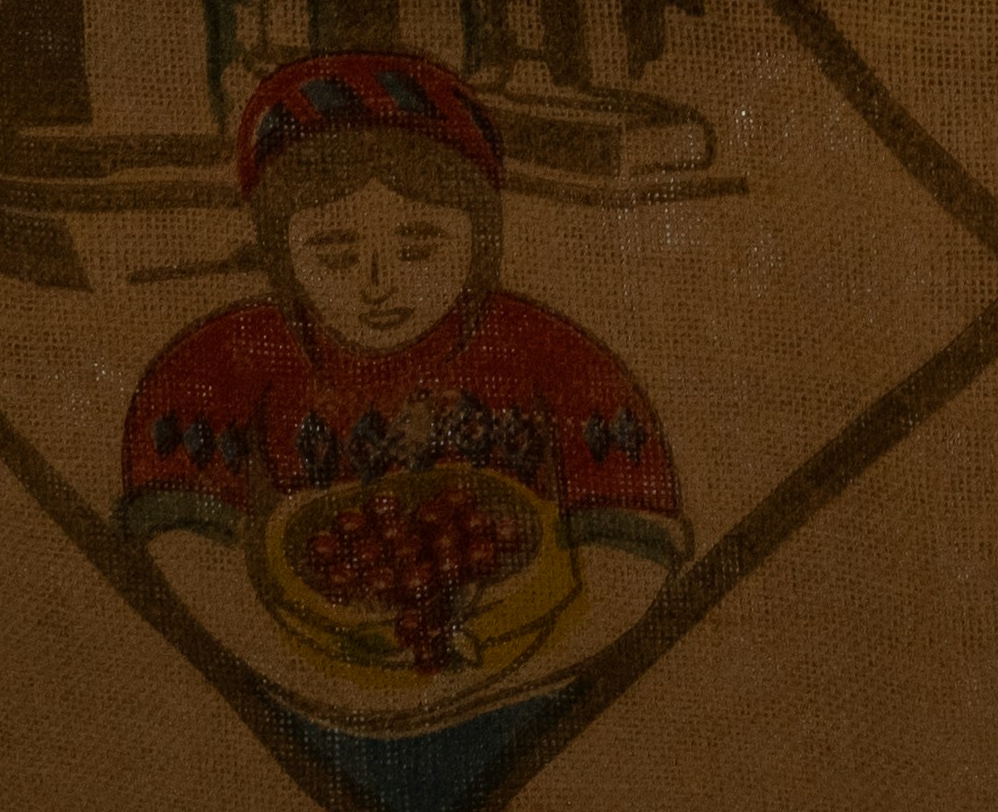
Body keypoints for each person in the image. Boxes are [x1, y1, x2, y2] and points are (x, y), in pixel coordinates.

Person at [117, 44, 688, 789]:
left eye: (420, 245)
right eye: (333, 249)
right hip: (298, 700)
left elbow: (630, 551)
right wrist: (334, 694)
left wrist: (478, 684)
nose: (379, 285)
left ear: (479, 238)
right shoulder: (218, 364)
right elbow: (186, 556)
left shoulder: (555, 358)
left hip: (530, 695)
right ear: (278, 253)